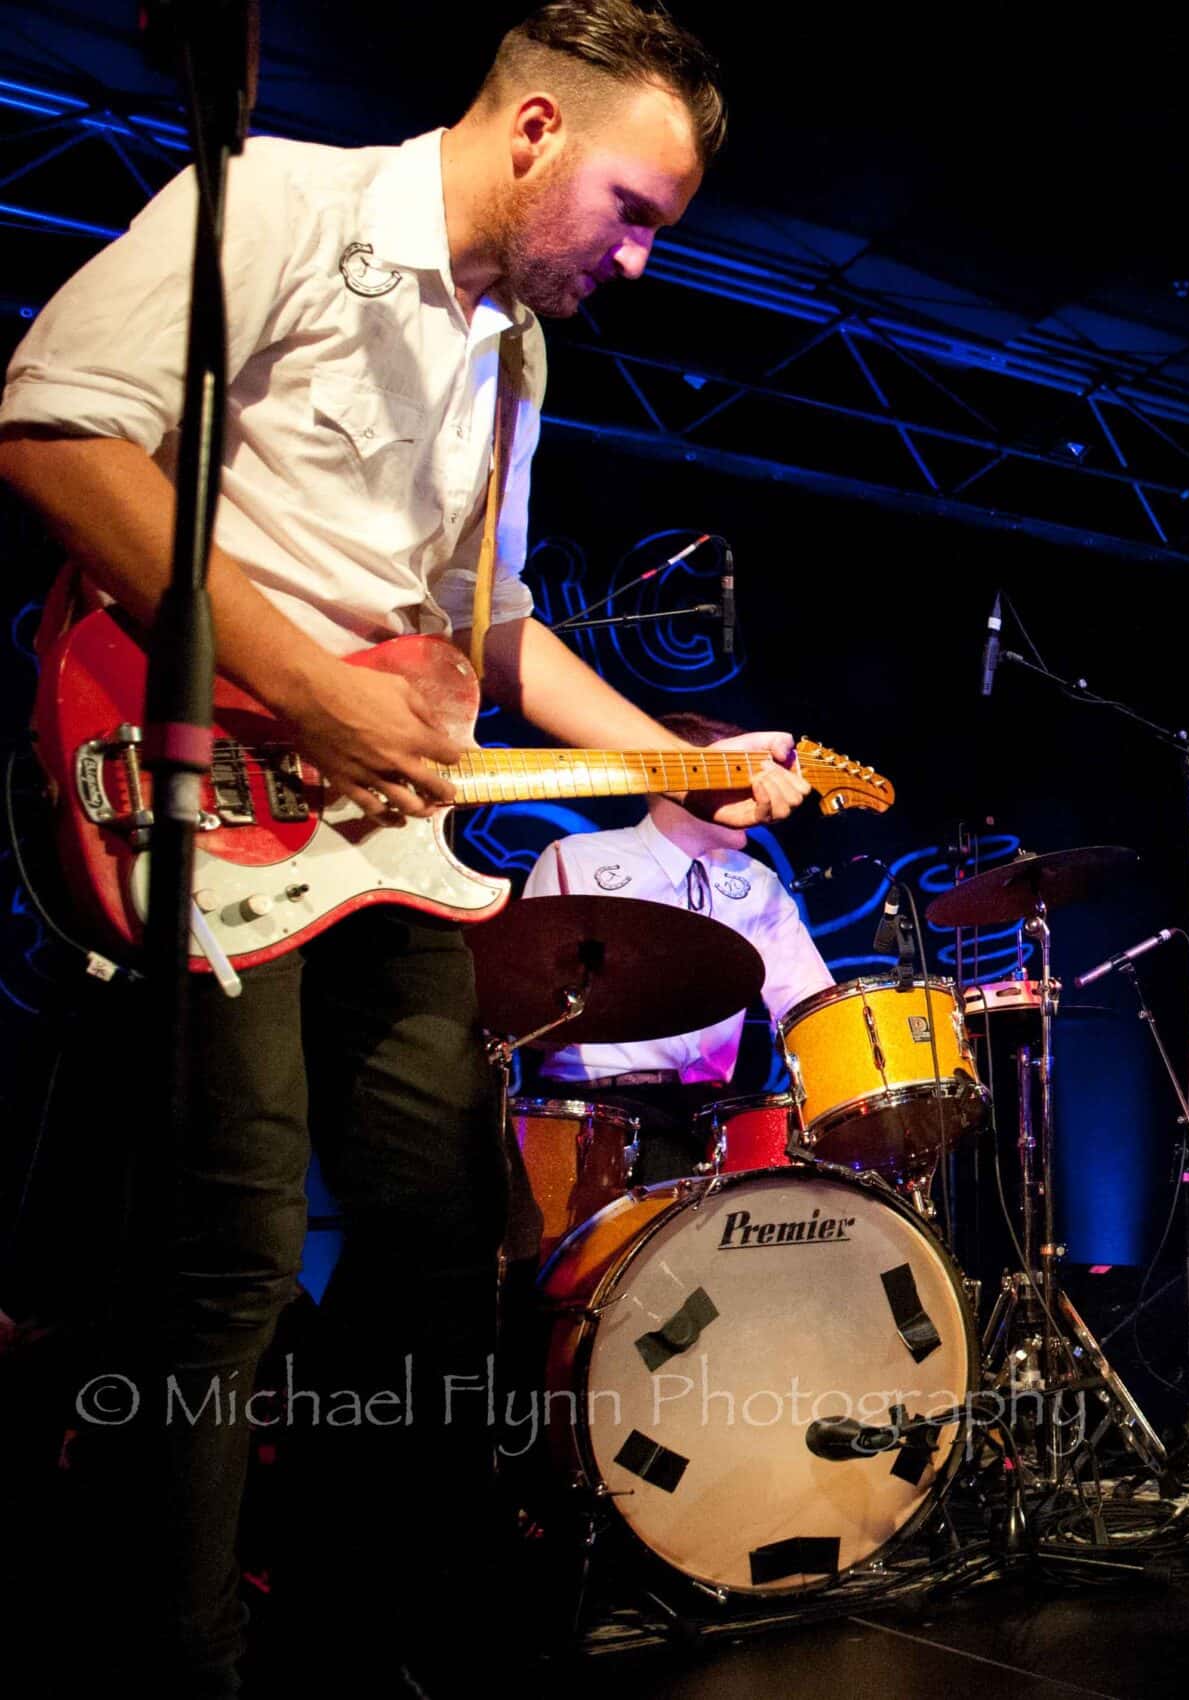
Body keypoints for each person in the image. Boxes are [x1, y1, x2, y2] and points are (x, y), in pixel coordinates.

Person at [0, 6, 807, 1693]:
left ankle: (345, 1625)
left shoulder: (516, 356)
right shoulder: (276, 202)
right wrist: (311, 695)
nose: (642, 260)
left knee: (446, 1239)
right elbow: (56, 432)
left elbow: (490, 628)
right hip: (198, 780)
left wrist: (680, 763)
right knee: (229, 1250)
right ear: (534, 128)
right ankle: (179, 1659)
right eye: (633, 210)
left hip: (379, 834)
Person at [522, 709, 836, 1182]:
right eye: (740, 775)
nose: (756, 796)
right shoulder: (578, 859)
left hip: (708, 1121)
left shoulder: (757, 882)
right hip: (589, 1114)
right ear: (684, 778)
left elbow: (812, 1012)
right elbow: (529, 1011)